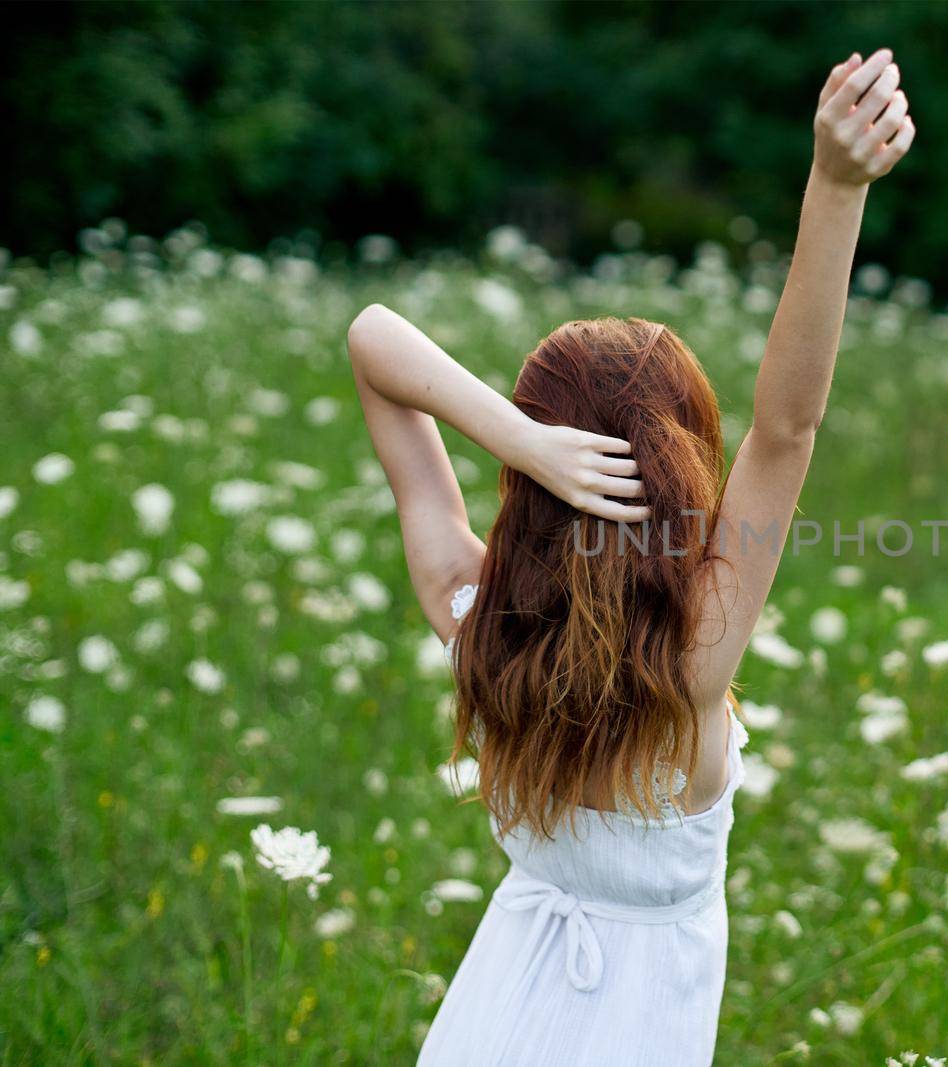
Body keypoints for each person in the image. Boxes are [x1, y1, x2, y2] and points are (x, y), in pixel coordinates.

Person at [345, 49, 914, 1066]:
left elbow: (373, 336)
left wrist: (516, 441)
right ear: (684, 458)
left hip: (486, 1023)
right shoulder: (697, 653)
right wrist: (834, 186)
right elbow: (787, 426)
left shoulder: (472, 616)